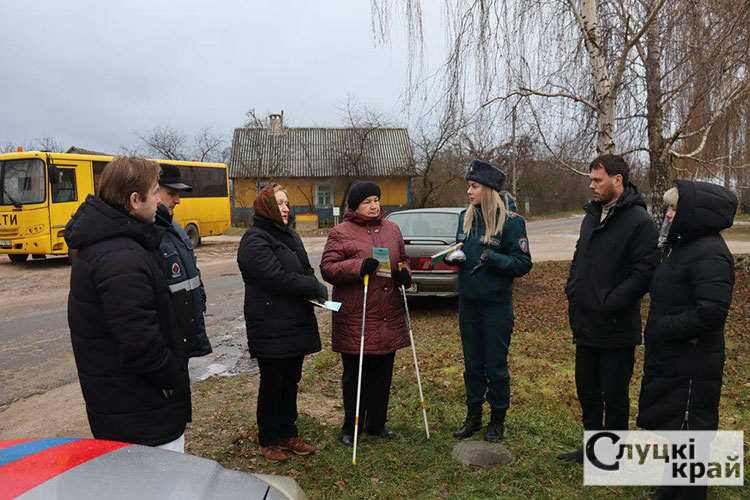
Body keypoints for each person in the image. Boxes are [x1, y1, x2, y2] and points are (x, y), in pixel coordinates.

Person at [65, 157, 190, 452]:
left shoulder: (108, 244)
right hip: (143, 413)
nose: (160, 199)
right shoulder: (121, 258)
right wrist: (172, 376)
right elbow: (140, 342)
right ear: (135, 200)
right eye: (155, 191)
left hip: (125, 406)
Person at [637, 181, 737, 500]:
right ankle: (671, 489)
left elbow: (711, 312)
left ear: (692, 214)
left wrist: (664, 328)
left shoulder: (709, 252)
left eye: (674, 208)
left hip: (694, 359)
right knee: (679, 429)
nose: (668, 214)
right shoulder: (683, 246)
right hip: (676, 356)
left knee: (691, 430)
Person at [558, 154, 659, 463]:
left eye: (597, 180)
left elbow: (644, 273)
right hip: (586, 323)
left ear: (618, 180)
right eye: (591, 179)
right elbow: (580, 256)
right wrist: (573, 288)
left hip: (616, 326)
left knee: (613, 396)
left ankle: (612, 456)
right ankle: (592, 450)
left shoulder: (640, 222)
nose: (592, 185)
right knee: (587, 392)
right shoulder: (592, 216)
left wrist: (611, 301)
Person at [237, 183, 326, 463]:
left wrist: (312, 283)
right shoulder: (254, 239)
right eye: (280, 203)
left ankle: (289, 435)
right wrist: (312, 286)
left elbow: (304, 268)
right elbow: (275, 277)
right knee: (273, 384)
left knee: (291, 382)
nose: (286, 208)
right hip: (270, 325)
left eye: (287, 202)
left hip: (295, 322)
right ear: (266, 206)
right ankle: (268, 439)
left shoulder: (291, 236)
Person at [320, 181, 412, 446]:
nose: (374, 206)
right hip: (356, 317)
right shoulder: (340, 232)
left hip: (388, 313)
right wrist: (359, 266)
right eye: (368, 202)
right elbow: (328, 268)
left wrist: (405, 272)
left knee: (382, 376)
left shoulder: (392, 228)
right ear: (355, 206)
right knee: (355, 378)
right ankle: (352, 427)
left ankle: (377, 425)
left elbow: (403, 258)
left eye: (376, 200)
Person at [447, 160, 532, 441]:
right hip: (468, 303)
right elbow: (461, 247)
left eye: (474, 186)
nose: (469, 191)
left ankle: (497, 420)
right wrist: (453, 257)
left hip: (496, 306)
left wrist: (493, 259)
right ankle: (473, 416)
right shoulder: (465, 217)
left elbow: (522, 263)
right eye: (469, 186)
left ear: (489, 190)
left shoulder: (511, 222)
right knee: (472, 364)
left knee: (495, 365)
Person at [155, 164, 212, 359]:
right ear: (153, 192)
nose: (178, 200)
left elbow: (193, 271)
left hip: (185, 336)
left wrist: (200, 298)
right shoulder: (148, 234)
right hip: (167, 341)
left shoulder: (175, 228)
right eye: (171, 193)